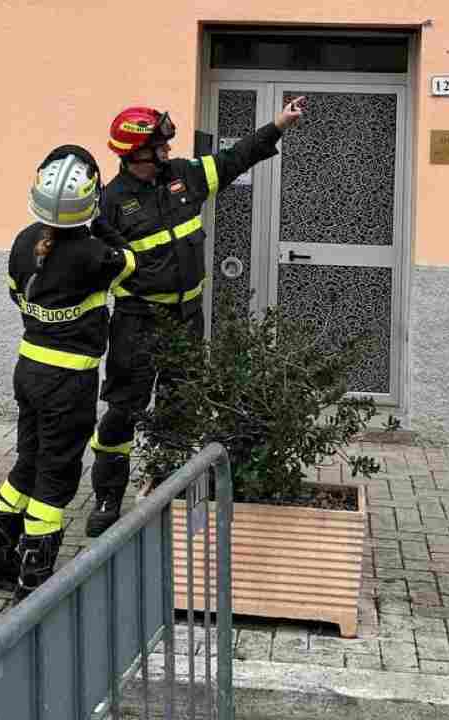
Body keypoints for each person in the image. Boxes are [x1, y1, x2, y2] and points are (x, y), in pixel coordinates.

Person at [85, 97, 308, 537]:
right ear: (136, 154)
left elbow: (234, 158)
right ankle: (108, 496)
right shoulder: (109, 204)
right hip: (137, 321)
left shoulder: (185, 176)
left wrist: (278, 124)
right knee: (122, 413)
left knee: (180, 406)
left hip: (187, 318)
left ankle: (166, 485)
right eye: (159, 146)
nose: (168, 151)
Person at [0, 145, 136, 602]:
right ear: (90, 199)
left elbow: (13, 294)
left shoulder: (24, 240)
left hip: (28, 370)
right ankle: (34, 580)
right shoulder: (94, 254)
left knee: (27, 460)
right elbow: (131, 262)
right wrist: (101, 218)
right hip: (69, 383)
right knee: (56, 478)